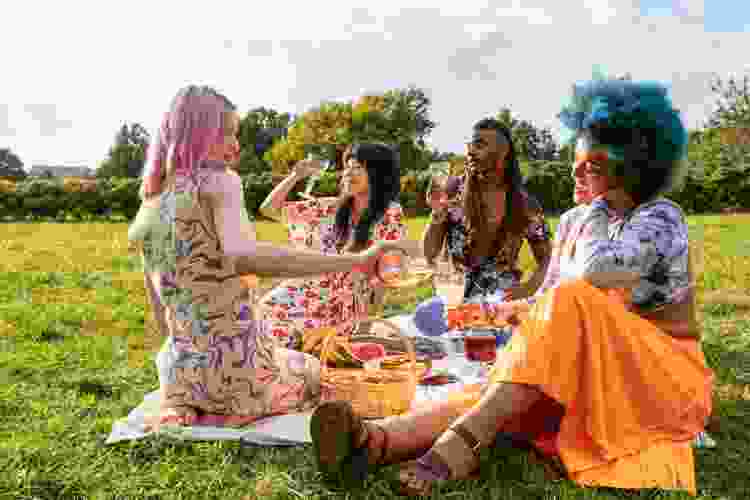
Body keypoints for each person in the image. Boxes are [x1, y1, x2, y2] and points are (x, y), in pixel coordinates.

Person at [310, 75, 714, 496]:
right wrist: (495, 312)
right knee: (504, 384)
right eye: (575, 158)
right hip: (596, 370)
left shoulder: (660, 217)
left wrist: (594, 207)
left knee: (534, 354)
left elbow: (594, 275)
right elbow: (548, 303)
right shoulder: (578, 222)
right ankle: (374, 443)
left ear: (633, 163)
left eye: (590, 163)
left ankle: (461, 443)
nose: (575, 170)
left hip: (658, 378)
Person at [127, 85, 405, 426]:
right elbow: (247, 257)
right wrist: (355, 261)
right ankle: (228, 412)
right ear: (197, 133)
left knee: (283, 345)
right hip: (240, 378)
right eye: (226, 133)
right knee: (317, 372)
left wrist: (181, 381)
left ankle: (193, 407)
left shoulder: (150, 202)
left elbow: (161, 310)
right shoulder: (220, 182)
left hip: (178, 375)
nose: (235, 145)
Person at [257, 143, 406, 338]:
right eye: (348, 167)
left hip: (340, 309)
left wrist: (363, 331)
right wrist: (295, 176)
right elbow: (268, 209)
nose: (349, 173)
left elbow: (382, 280)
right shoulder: (329, 208)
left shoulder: (389, 214)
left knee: (286, 341)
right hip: (304, 292)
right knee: (258, 318)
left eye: (358, 167)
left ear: (378, 174)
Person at [422, 119, 552, 303]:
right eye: (471, 144)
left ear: (503, 153)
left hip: (501, 306)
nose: (470, 151)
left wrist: (529, 288)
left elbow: (547, 259)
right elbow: (429, 254)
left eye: (480, 145)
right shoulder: (453, 191)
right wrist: (436, 214)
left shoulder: (525, 204)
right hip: (453, 299)